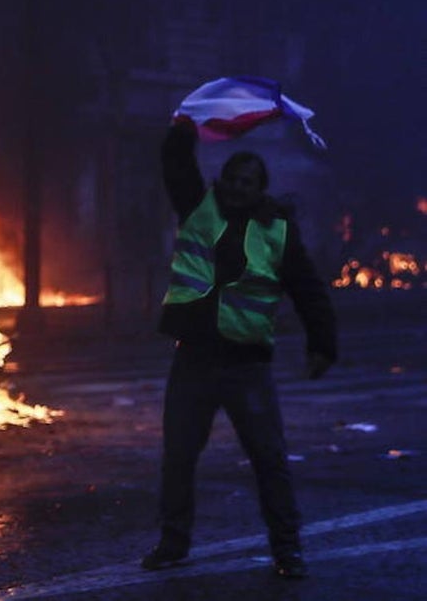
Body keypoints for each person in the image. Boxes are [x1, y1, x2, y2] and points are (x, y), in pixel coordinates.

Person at [142, 116, 337, 579]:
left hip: (246, 365)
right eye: (232, 179)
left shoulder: (278, 233)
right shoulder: (198, 207)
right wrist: (184, 125)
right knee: (178, 458)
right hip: (193, 358)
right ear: (222, 180)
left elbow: (308, 290)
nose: (237, 187)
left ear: (259, 189)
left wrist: (322, 344)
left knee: (269, 460)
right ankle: (173, 543)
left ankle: (287, 550)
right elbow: (175, 163)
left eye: (247, 182)